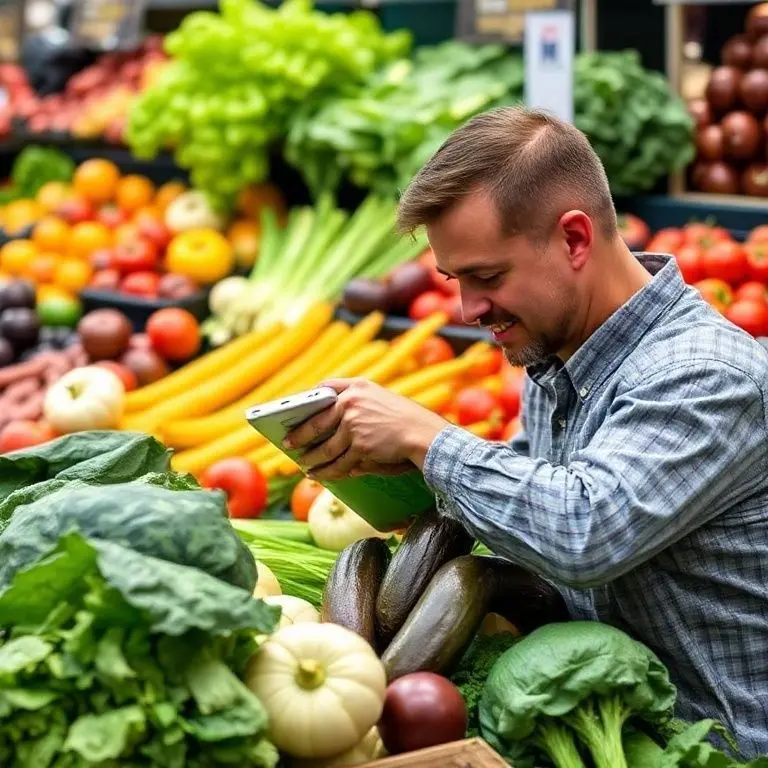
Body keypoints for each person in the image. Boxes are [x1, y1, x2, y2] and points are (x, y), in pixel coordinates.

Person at [284, 106, 768, 755]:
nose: (468, 309)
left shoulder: (706, 376)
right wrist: (401, 473)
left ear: (574, 239)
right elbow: (534, 509)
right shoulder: (561, 358)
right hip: (601, 723)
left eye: (487, 276)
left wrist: (428, 441)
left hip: (716, 746)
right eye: (455, 280)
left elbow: (585, 532)